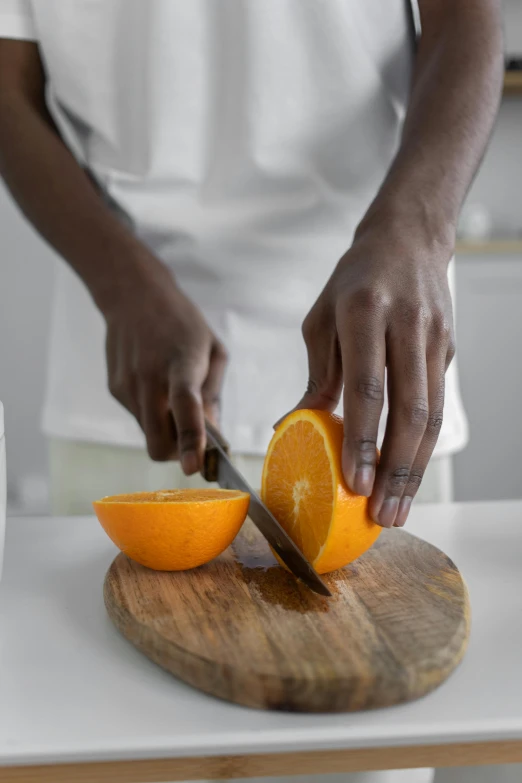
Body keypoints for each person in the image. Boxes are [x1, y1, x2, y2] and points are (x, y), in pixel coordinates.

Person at [0, 2, 503, 782]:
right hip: (129, 393)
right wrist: (118, 282)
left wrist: (417, 227)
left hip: (375, 382)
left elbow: (467, 17)